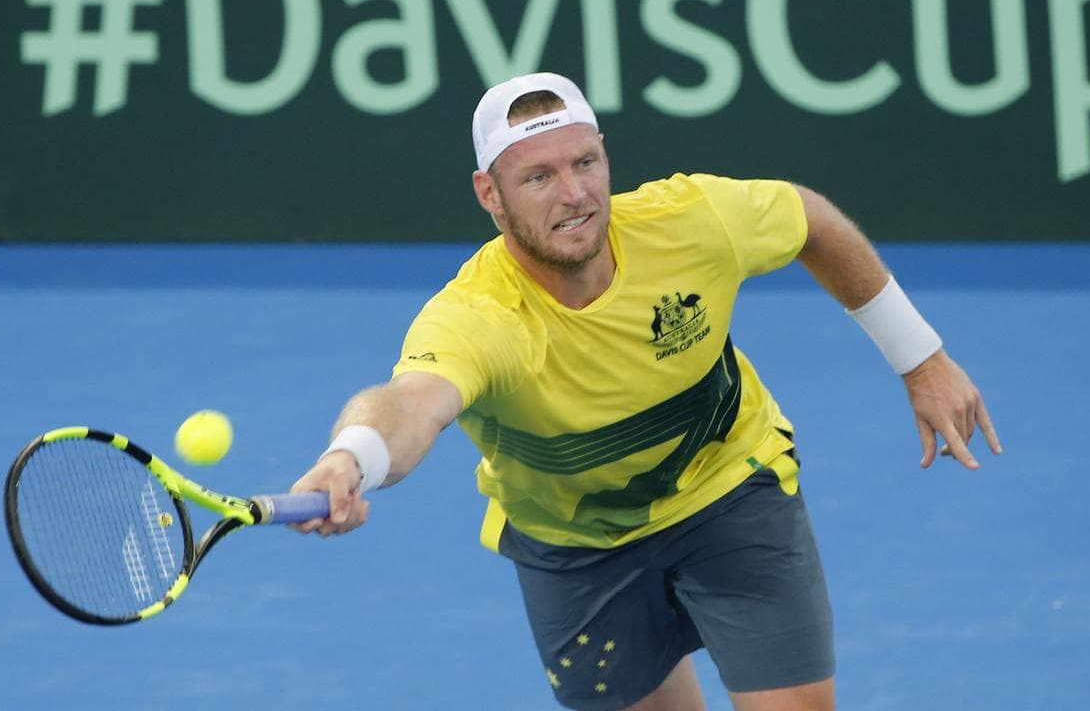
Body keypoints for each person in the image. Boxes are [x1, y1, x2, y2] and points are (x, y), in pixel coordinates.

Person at [289, 72, 1001, 711]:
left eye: (585, 163)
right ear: (490, 195)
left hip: (729, 488)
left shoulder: (688, 221)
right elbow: (410, 404)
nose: (574, 195)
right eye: (538, 177)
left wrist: (921, 359)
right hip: (573, 545)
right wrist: (351, 457)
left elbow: (807, 217)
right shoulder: (477, 318)